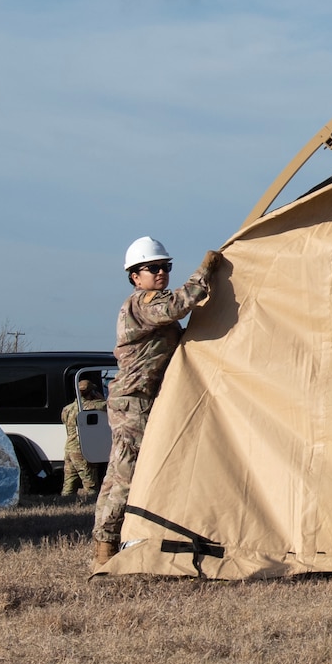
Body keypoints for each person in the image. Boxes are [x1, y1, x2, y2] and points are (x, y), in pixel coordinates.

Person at [91, 236, 221, 564]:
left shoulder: (150, 306)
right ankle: (105, 547)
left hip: (137, 399)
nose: (161, 273)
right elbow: (179, 304)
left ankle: (110, 542)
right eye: (153, 268)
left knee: (119, 473)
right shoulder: (144, 303)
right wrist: (204, 273)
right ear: (135, 276)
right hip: (133, 400)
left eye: (166, 267)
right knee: (127, 473)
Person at [60, 371, 107, 497]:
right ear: (91, 392)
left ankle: (65, 504)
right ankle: (90, 505)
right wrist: (99, 397)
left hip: (69, 448)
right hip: (81, 449)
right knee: (90, 484)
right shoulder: (92, 405)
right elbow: (108, 406)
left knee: (69, 483)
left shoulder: (67, 408)